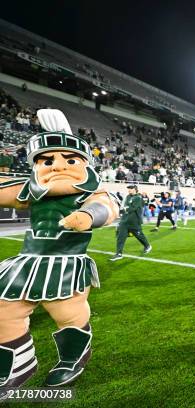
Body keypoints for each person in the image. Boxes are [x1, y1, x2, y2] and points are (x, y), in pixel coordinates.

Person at [0, 109, 119, 393]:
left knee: (68, 311)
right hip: (29, 261)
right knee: (6, 309)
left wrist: (89, 216)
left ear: (84, 163)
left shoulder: (89, 190)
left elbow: (108, 207)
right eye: (47, 160)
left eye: (69, 159)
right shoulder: (30, 190)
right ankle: (19, 363)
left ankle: (73, 356)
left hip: (67, 262)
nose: (57, 165)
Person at [110, 185, 152, 261]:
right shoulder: (128, 197)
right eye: (128, 189)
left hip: (134, 222)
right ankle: (119, 254)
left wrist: (123, 210)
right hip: (125, 221)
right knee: (120, 237)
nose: (129, 190)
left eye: (131, 189)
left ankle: (147, 246)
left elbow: (133, 208)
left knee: (139, 236)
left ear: (135, 189)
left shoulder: (138, 198)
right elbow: (126, 206)